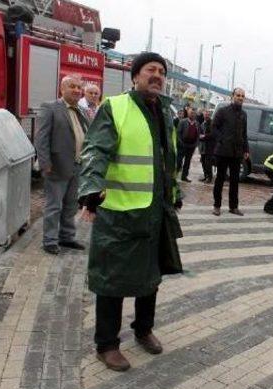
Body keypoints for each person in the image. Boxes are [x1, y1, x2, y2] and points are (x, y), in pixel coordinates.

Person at [78, 52, 183, 372]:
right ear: (135, 76)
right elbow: (96, 150)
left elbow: (169, 159)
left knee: (150, 276)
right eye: (150, 70)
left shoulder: (166, 112)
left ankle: (144, 329)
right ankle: (106, 345)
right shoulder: (116, 107)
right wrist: (91, 190)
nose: (157, 75)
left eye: (162, 71)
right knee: (112, 280)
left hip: (154, 212)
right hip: (120, 213)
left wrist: (173, 193)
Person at [34, 75, 88, 255]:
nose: (77, 90)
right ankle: (49, 240)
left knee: (71, 205)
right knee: (54, 206)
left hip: (77, 165)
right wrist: (45, 163)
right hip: (56, 166)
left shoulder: (80, 110)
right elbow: (41, 138)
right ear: (62, 89)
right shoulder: (50, 107)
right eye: (72, 86)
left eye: (79, 87)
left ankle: (67, 237)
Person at [212, 88, 250, 216]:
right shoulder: (223, 111)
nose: (240, 98)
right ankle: (217, 206)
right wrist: (221, 140)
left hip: (236, 153)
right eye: (238, 95)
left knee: (235, 181)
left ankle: (233, 207)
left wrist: (246, 150)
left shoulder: (244, 114)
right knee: (220, 180)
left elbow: (244, 134)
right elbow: (214, 127)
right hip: (223, 151)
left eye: (242, 96)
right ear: (232, 96)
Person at [177, 108, 200, 182]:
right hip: (182, 145)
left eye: (193, 113)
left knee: (187, 162)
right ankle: (174, 175)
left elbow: (198, 135)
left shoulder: (197, 124)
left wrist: (195, 144)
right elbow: (178, 133)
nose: (192, 114)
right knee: (179, 161)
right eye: (191, 113)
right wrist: (180, 143)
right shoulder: (183, 122)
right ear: (188, 113)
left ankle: (184, 176)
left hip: (191, 146)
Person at [198, 109, 215, 183]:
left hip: (209, 147)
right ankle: (205, 176)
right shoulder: (202, 123)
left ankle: (209, 177)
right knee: (203, 162)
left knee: (208, 163)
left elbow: (213, 135)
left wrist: (204, 136)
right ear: (203, 115)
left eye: (207, 114)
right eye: (205, 114)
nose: (206, 116)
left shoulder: (212, 123)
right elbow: (199, 133)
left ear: (209, 115)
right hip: (202, 147)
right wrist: (199, 137)